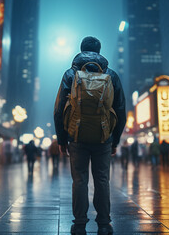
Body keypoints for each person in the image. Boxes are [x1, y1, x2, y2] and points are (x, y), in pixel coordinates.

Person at [54, 36, 126, 235]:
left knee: (79, 181)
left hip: (76, 137)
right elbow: (120, 110)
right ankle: (104, 224)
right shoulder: (111, 75)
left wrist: (62, 139)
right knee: (102, 180)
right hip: (104, 137)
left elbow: (59, 109)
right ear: (100, 51)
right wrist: (115, 140)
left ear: (81, 49)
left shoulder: (70, 74)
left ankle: (79, 224)